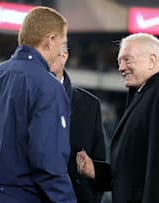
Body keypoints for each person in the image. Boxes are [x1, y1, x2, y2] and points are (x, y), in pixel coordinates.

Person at [0, 7, 77, 203]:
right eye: (62, 44)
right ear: (50, 40)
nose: (61, 51)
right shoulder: (48, 86)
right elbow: (48, 162)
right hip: (21, 195)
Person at [77, 33, 159, 203]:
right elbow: (135, 173)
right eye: (119, 61)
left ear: (151, 61)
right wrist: (97, 171)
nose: (121, 67)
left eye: (127, 60)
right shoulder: (145, 96)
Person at [50, 44, 106, 203]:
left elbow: (98, 164)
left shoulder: (90, 105)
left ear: (64, 55)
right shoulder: (19, 97)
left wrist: (89, 197)